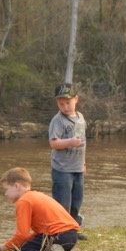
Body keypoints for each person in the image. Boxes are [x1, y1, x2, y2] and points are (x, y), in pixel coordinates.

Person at [0, 167, 80, 251]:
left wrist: (3, 247)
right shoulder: (38, 195)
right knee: (25, 246)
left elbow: (22, 234)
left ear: (16, 186)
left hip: (56, 236)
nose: (5, 194)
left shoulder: (24, 201)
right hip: (71, 236)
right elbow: (38, 233)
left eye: (6, 189)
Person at [49, 82, 87, 240]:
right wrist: (70, 142)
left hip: (78, 168)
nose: (65, 107)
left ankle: (72, 230)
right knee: (62, 203)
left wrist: (84, 163)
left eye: (68, 102)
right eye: (61, 103)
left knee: (76, 201)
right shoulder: (57, 121)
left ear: (76, 99)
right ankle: (59, 234)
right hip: (62, 170)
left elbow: (83, 143)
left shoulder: (80, 118)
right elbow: (53, 143)